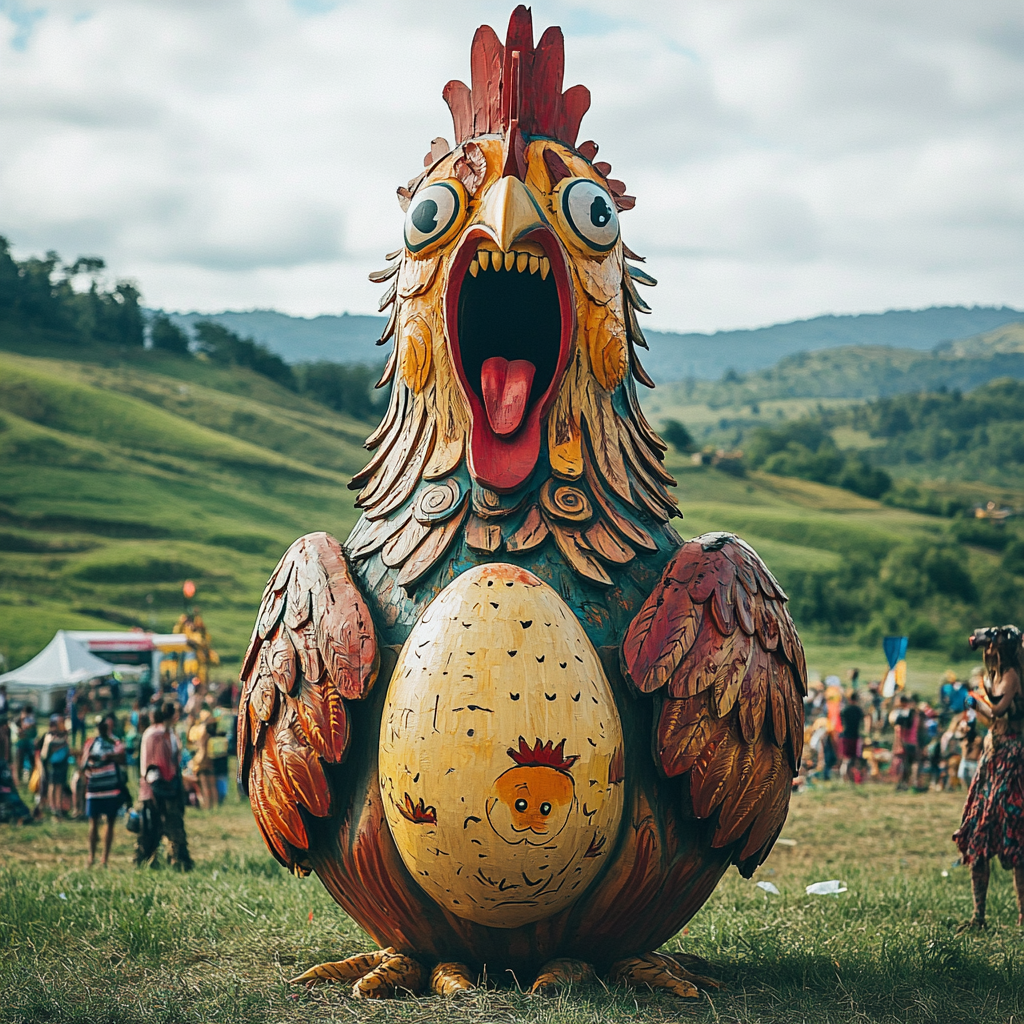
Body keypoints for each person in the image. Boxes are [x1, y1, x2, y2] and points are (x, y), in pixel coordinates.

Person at [953, 626, 1024, 930]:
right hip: (992, 756)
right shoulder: (995, 676)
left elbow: (997, 710)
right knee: (980, 830)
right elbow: (990, 719)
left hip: (1011, 757)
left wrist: (977, 701)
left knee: (1014, 834)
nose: (987, 649)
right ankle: (978, 916)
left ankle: (1022, 916)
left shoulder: (1010, 675)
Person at [135, 703, 193, 871]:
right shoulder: (158, 734)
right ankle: (173, 861)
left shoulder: (165, 733)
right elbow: (158, 763)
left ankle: (161, 860)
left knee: (155, 826)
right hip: (160, 787)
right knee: (162, 825)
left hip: (161, 786)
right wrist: (167, 786)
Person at [81, 717, 127, 868]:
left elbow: (122, 757)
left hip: (110, 787)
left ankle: (104, 859)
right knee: (93, 823)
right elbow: (83, 763)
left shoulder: (115, 741)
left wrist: (108, 757)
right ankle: (91, 857)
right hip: (94, 786)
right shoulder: (91, 742)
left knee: (110, 822)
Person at [40, 714, 71, 816]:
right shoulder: (50, 735)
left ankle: (58, 807)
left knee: (59, 786)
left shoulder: (65, 734)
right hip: (53, 764)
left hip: (63, 763)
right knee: (52, 785)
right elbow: (45, 753)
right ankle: (52, 807)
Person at [188, 709, 217, 810]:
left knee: (205, 784)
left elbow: (198, 745)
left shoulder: (200, 729)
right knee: (211, 784)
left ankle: (208, 805)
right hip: (208, 757)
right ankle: (213, 805)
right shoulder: (209, 729)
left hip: (202, 758)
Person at [889, 694, 919, 790]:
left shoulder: (903, 714)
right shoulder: (913, 713)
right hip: (912, 742)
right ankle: (908, 783)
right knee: (909, 764)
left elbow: (901, 729)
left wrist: (899, 743)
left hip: (905, 742)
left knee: (904, 764)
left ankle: (903, 784)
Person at [839, 691, 864, 782]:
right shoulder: (859, 710)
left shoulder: (845, 710)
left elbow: (841, 723)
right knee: (855, 759)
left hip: (846, 736)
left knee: (846, 759)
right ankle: (852, 778)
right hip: (855, 737)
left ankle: (844, 778)